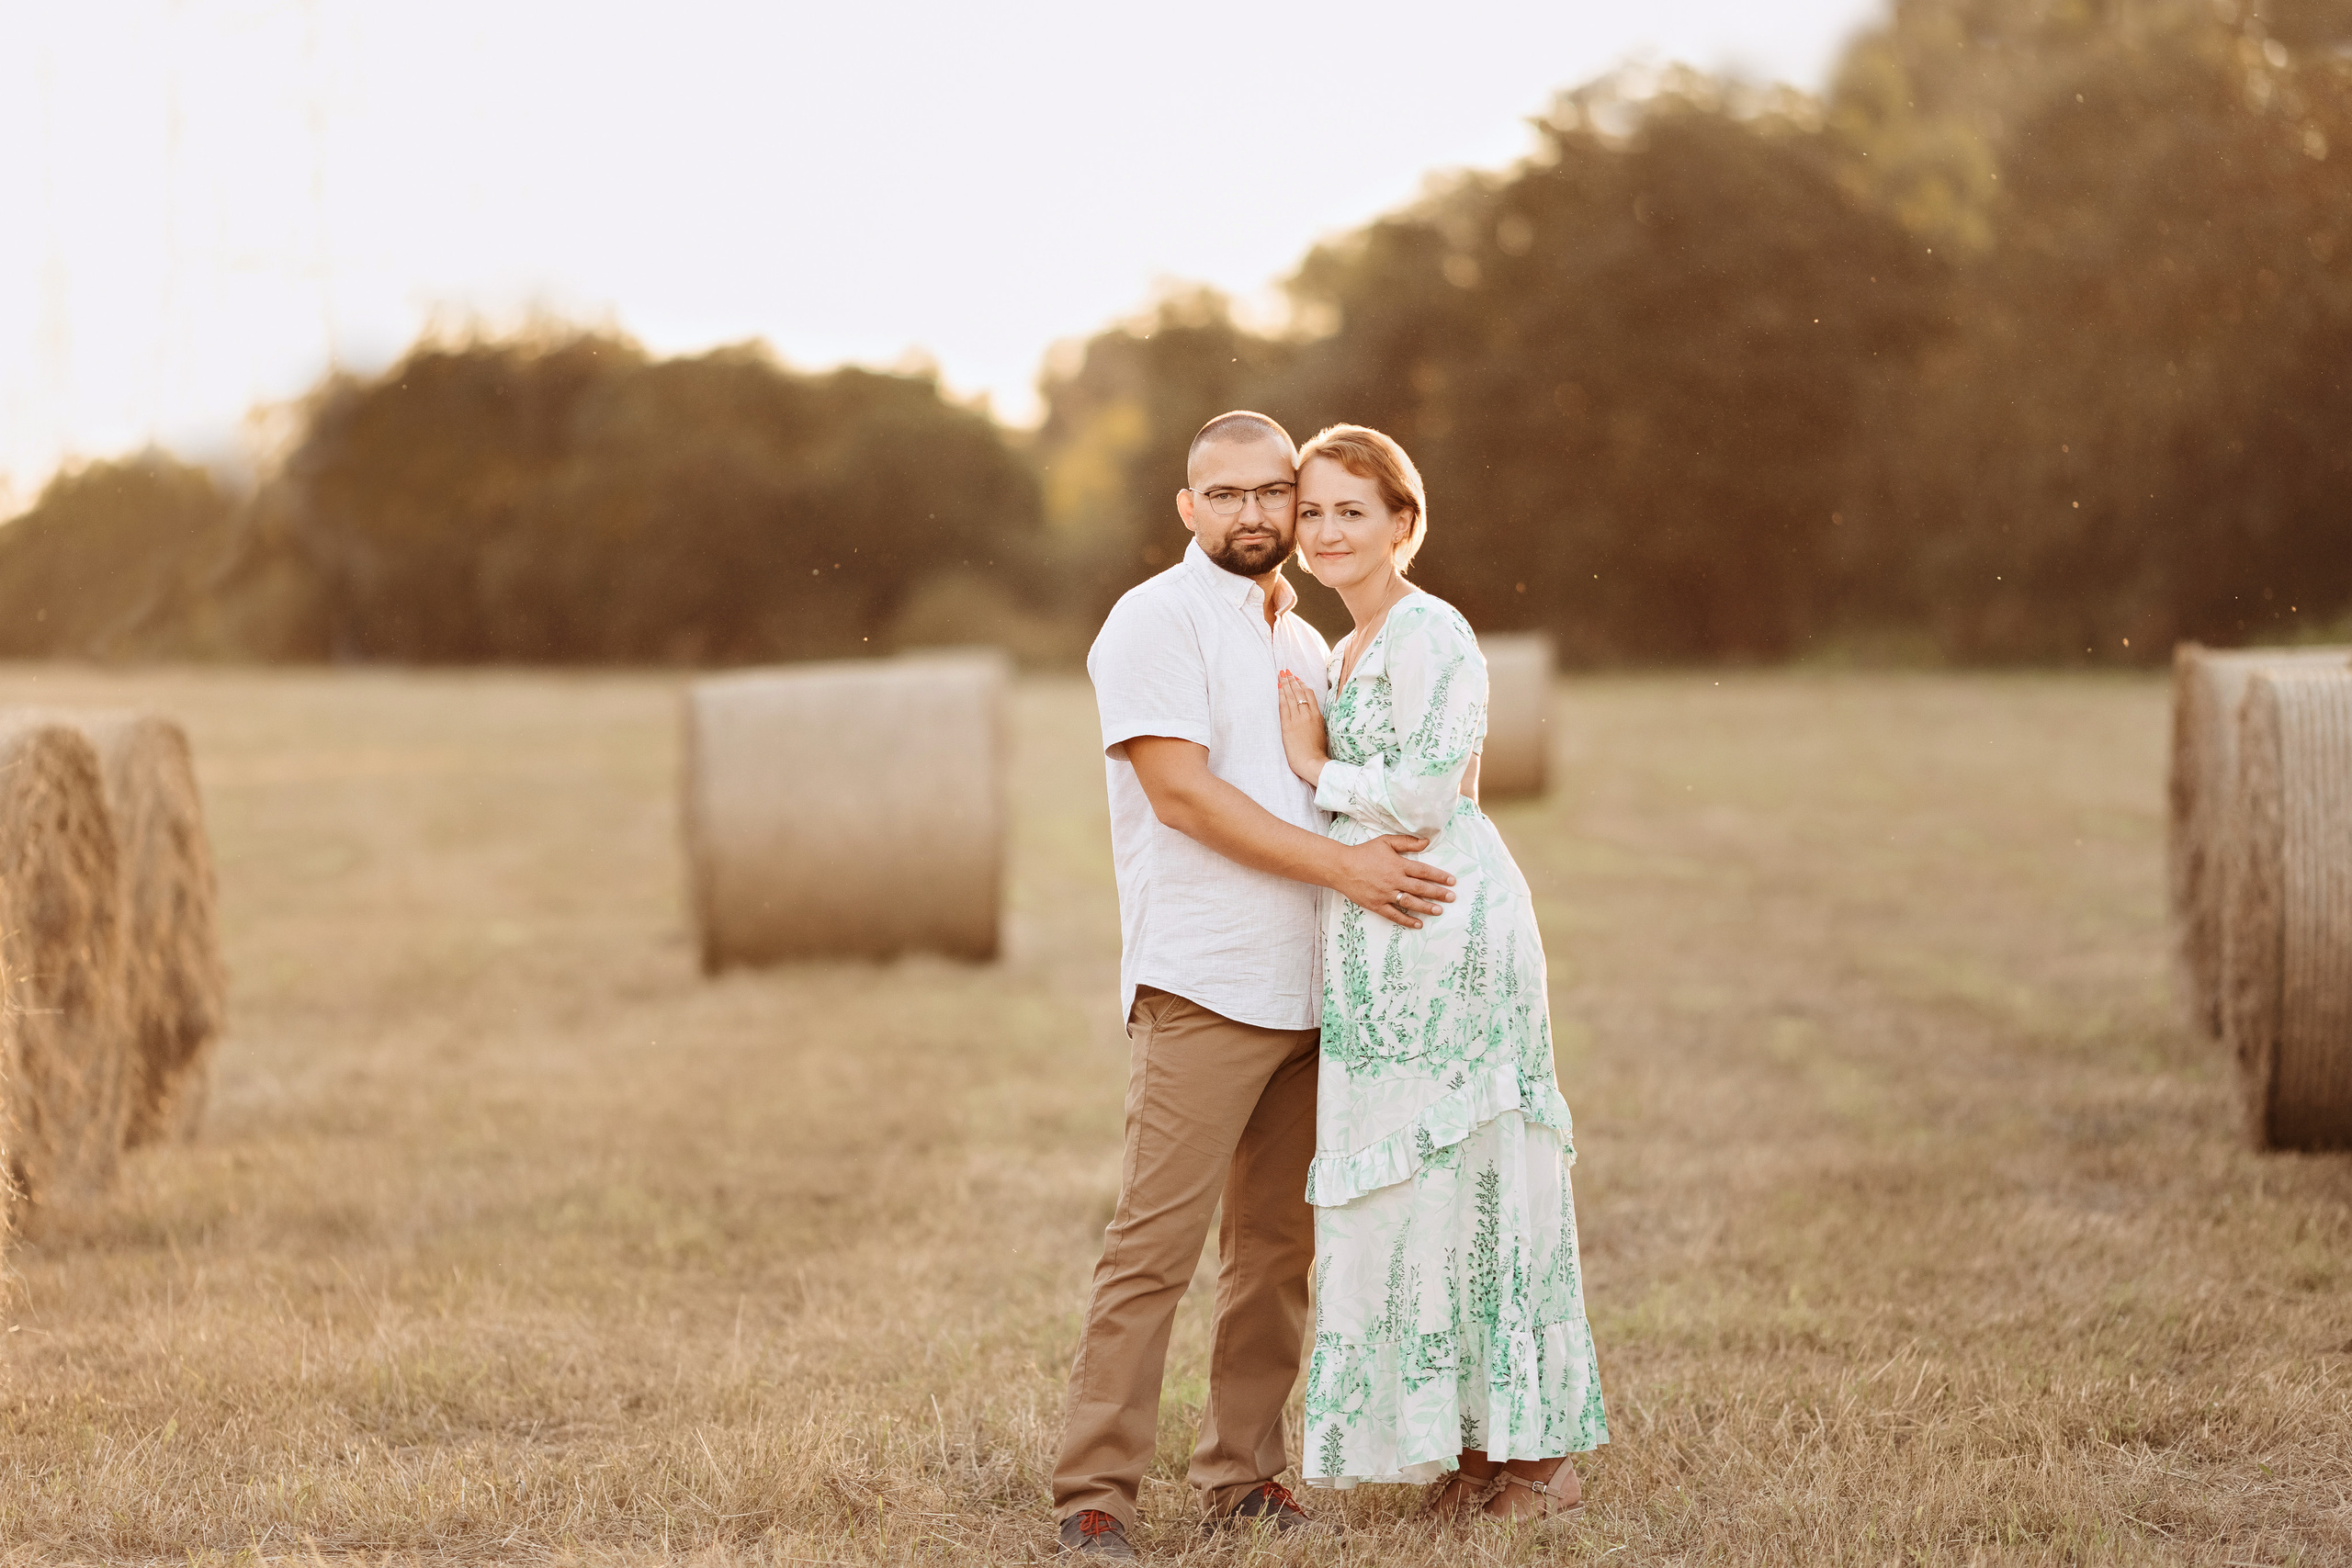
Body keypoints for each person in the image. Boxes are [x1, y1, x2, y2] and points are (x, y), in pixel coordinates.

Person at [1052, 412, 1461, 1558]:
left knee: (1277, 1253)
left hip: (1317, 986)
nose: (1251, 514)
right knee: (1154, 1249)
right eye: (1222, 495)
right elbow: (1181, 795)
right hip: (1207, 982)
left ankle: (1242, 1475)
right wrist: (1348, 869)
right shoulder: (1155, 620)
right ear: (1187, 509)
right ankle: (1096, 1493)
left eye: (1270, 493)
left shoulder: (1299, 639)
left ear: (1294, 503)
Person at [1273, 424, 1607, 1525]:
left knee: (1484, 1172)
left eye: (1350, 512)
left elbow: (1423, 797)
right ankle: (1474, 1445)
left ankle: (1540, 1462)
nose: (1325, 532)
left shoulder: (1430, 630)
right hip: (1383, 939)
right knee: (1422, 1188)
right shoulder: (1343, 648)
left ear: (1403, 523)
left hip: (1449, 929)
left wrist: (1313, 763)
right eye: (1311, 512)